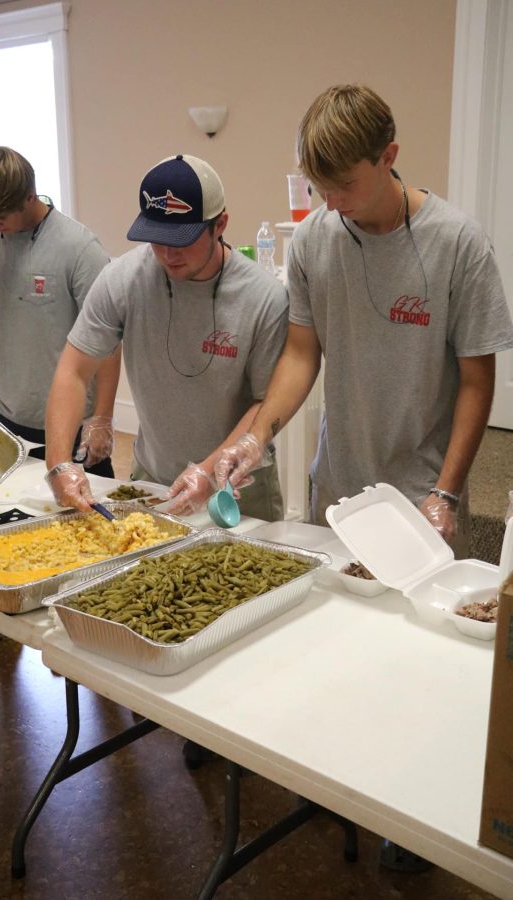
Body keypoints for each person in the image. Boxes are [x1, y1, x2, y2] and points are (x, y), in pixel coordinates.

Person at [213, 84, 513, 871]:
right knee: (336, 649)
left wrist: (448, 490)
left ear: (390, 157)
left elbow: (476, 381)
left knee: (418, 668)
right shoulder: (317, 240)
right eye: (319, 188)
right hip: (338, 487)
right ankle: (335, 776)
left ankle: (410, 818)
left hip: (422, 493)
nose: (333, 201)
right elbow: (303, 354)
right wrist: (261, 430)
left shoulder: (458, 244)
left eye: (345, 184)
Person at [0, 146, 121, 649]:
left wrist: (102, 417)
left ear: (28, 197)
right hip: (7, 418)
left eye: (1, 217)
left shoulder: (79, 249)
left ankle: (98, 639)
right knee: (2, 537)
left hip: (74, 430)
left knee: (90, 547)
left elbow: (108, 345)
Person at [44, 154, 288, 521]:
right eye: (156, 239)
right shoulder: (122, 279)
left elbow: (265, 402)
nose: (168, 254)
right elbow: (74, 371)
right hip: (153, 482)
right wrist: (58, 464)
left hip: (236, 490)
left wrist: (209, 470)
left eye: (182, 240)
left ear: (219, 224)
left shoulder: (263, 296)